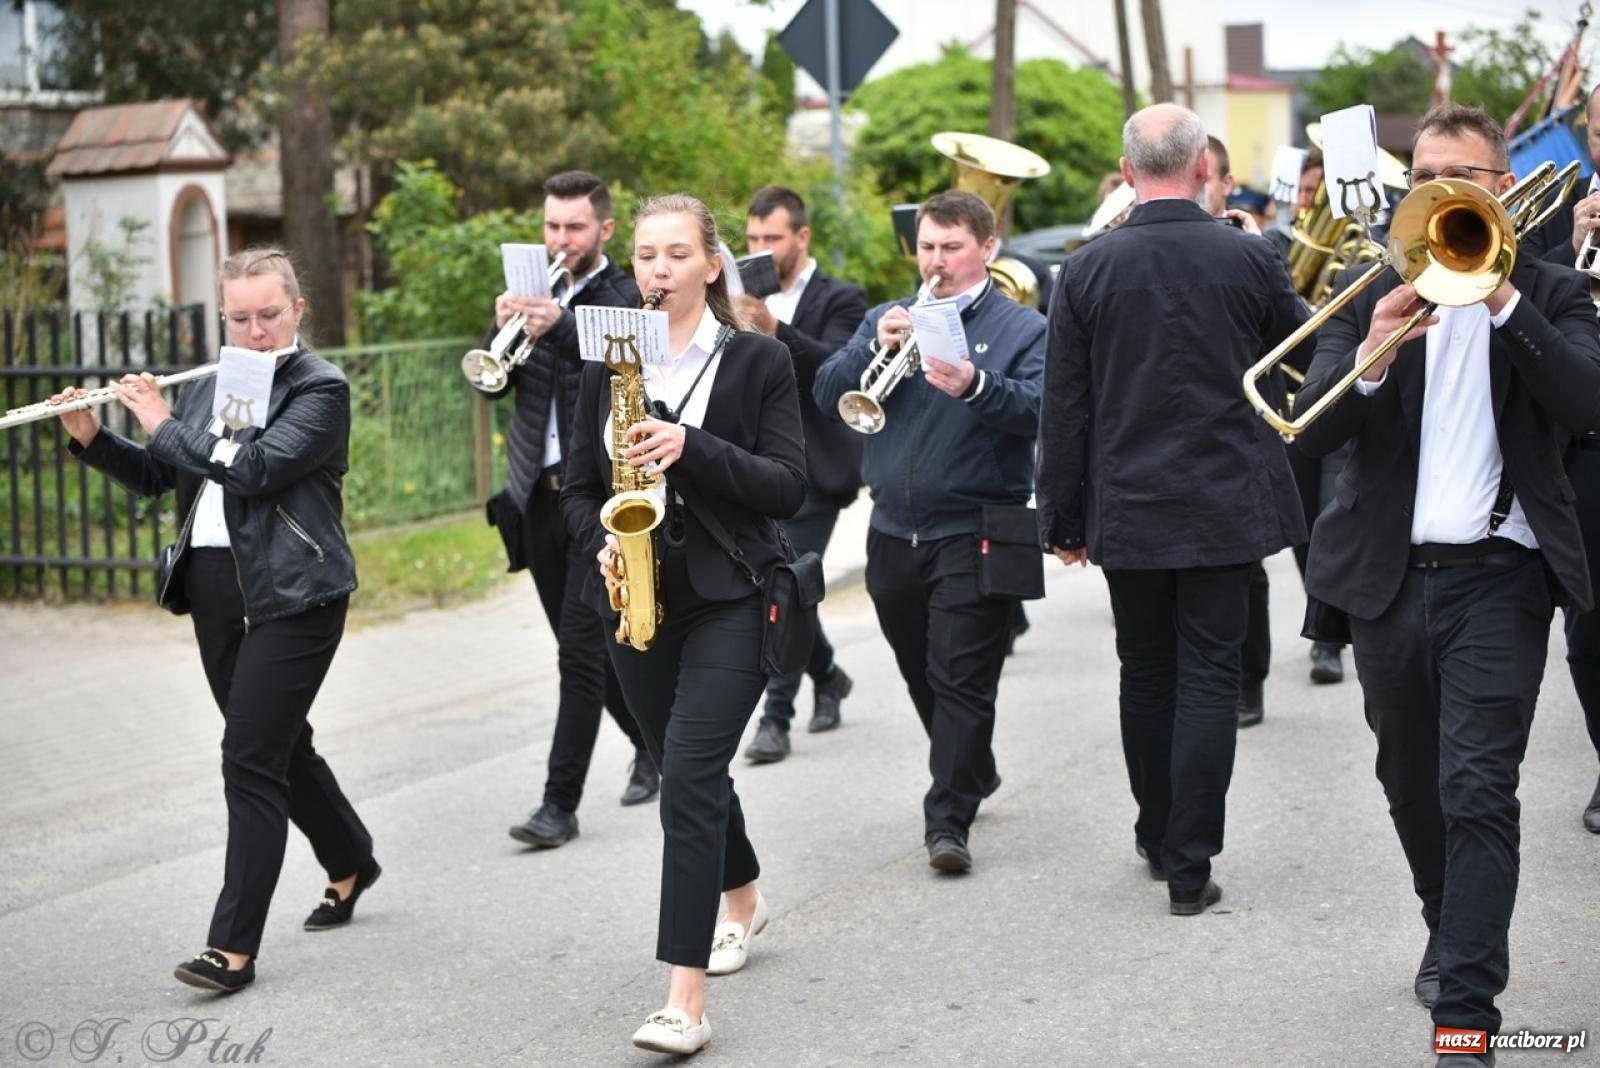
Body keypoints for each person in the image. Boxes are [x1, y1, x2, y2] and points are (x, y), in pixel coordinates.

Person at [1293, 104, 1600, 1064]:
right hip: (1386, 580)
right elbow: (1312, 423)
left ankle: (1465, 1009)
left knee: (1479, 789)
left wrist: (1500, 301)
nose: (1441, 191)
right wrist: (1377, 352)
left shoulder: (1553, 292)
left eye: (1461, 175)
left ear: (1503, 189)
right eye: (1425, 173)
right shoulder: (1369, 285)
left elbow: (1587, 403)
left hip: (1499, 579)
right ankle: (1447, 923)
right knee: (1408, 781)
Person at [51, 247, 379, 992]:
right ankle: (353, 858)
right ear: (223, 314)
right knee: (279, 747)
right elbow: (164, 474)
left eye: (270, 315)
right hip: (215, 589)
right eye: (240, 317)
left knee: (248, 758)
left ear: (297, 310)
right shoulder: (212, 383)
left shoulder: (319, 388)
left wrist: (165, 420)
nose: (255, 330)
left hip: (299, 595)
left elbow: (257, 470)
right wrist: (94, 439)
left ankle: (231, 950)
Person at [1036, 104, 1309, 916]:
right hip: (1225, 502)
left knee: (1146, 672)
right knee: (1209, 679)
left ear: (1127, 174)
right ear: (1201, 170)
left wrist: (1062, 518)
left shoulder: (1084, 271)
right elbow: (1302, 353)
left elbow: (1065, 408)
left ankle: (1158, 837)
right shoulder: (1248, 256)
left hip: (1130, 504)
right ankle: (1190, 866)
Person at [561, 193, 807, 1055]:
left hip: (732, 592)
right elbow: (576, 491)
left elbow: (787, 486)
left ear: (711, 263)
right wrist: (599, 540)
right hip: (631, 596)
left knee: (691, 778)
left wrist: (686, 445)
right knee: (684, 764)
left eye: (675, 255)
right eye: (645, 257)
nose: (657, 271)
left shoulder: (755, 363)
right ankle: (741, 898)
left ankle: (683, 1001)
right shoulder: (606, 358)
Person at [814, 190, 1046, 873]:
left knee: (961, 679)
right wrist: (868, 347)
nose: (936, 262)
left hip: (978, 526)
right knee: (922, 673)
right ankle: (972, 766)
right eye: (927, 247)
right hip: (892, 530)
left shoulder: (1023, 329)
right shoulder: (884, 318)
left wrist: (975, 384)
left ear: (988, 249)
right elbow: (828, 393)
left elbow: (1040, 411)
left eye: (951, 247)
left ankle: (947, 820)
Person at [481, 171, 658, 851]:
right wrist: (499, 330)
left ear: (604, 231)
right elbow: (497, 389)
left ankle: (559, 805)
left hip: (595, 499)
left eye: (574, 228)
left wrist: (557, 328)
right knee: (585, 650)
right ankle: (652, 746)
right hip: (534, 499)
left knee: (581, 656)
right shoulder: (535, 292)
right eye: (552, 226)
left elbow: (620, 371)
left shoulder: (623, 296)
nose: (560, 240)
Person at [734, 185, 868, 763]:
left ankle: (776, 718)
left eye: (773, 238)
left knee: (785, 585)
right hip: (755, 465)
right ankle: (829, 674)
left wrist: (774, 328)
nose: (761, 249)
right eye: (753, 238)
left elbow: (841, 370)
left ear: (802, 238)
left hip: (818, 468)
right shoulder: (731, 296)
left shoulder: (842, 297)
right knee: (785, 586)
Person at [1520, 85, 1600, 835]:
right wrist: (1565, 247)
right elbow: (1526, 310)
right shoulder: (1558, 210)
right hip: (1588, 451)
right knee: (1589, 625)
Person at [1205, 134, 1279, 730]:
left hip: (1241, 427)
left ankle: (1249, 680)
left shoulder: (1254, 250)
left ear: (1227, 184)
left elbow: (1292, 330)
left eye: (1210, 178)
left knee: (1245, 570)